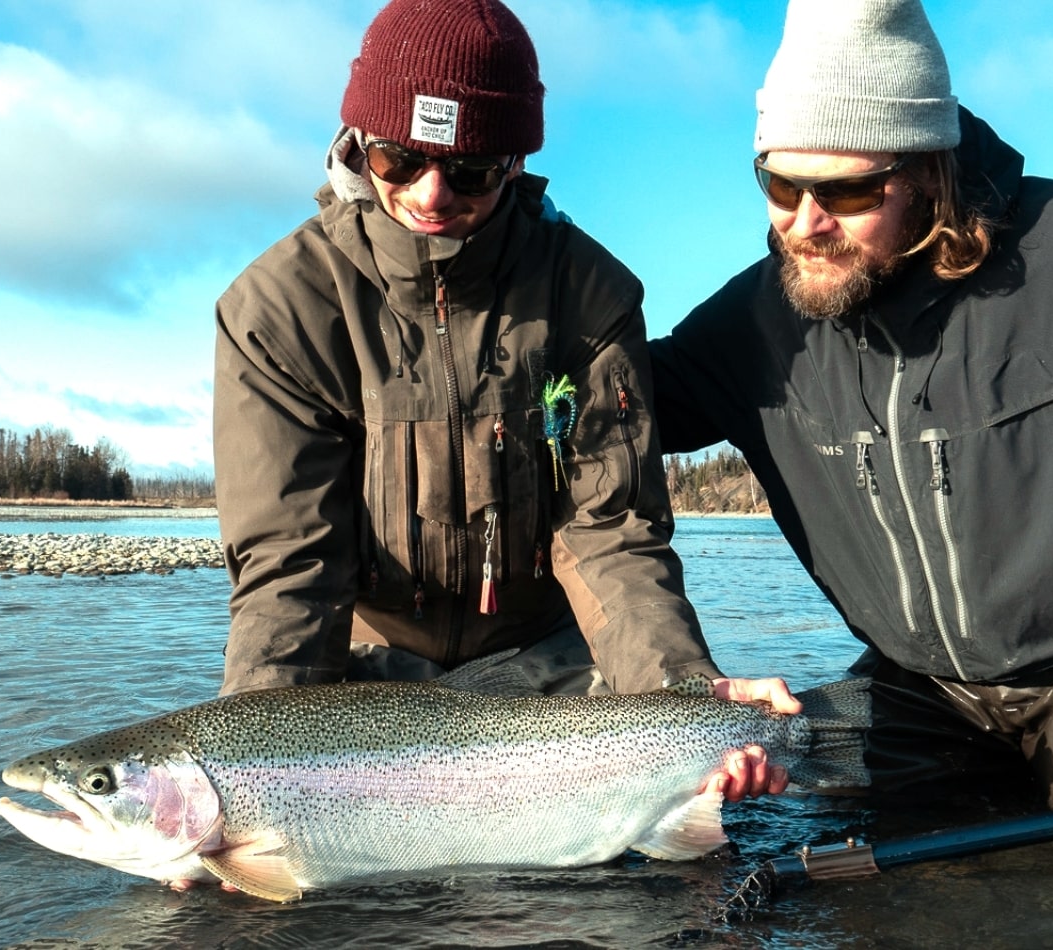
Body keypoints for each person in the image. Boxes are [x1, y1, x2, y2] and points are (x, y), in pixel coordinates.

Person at [650, 0, 1053, 832]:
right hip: (928, 687)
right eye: (779, 182)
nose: (804, 223)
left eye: (846, 189)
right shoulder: (756, 323)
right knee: (820, 851)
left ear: (926, 169)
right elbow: (610, 404)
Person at [212, 0, 793, 804]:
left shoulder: (591, 295)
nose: (433, 193)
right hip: (366, 679)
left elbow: (609, 533)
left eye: (473, 169)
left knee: (672, 850)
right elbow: (291, 567)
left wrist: (680, 693)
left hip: (550, 668)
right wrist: (244, 777)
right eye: (399, 159)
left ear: (516, 161)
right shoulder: (278, 310)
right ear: (355, 144)